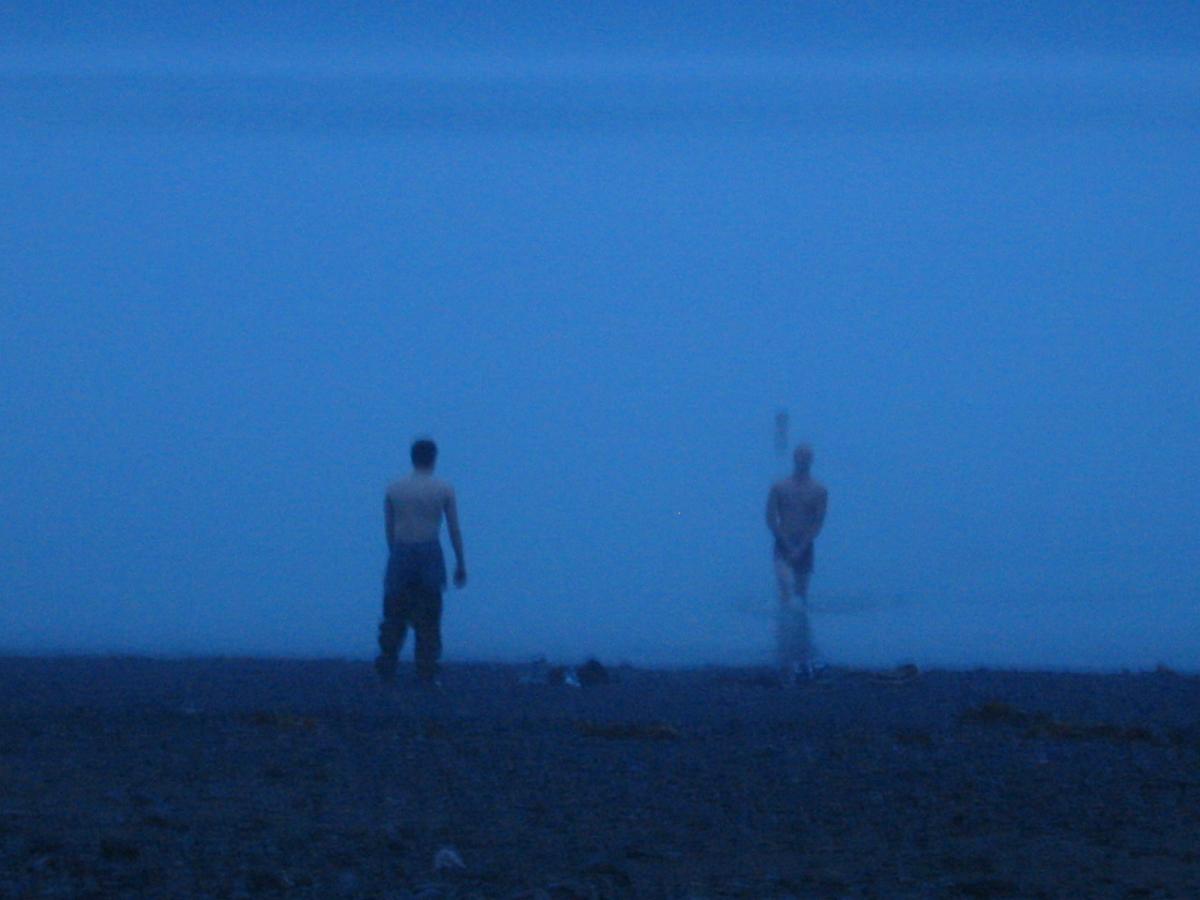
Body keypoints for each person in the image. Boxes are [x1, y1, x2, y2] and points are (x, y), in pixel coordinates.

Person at [376, 438, 466, 686]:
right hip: (429, 552)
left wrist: (395, 554)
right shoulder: (444, 488)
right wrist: (460, 562)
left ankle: (388, 666)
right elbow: (454, 529)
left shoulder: (394, 488)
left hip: (401, 551)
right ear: (433, 458)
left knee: (394, 612)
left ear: (412, 457)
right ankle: (426, 671)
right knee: (429, 616)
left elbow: (389, 529)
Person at [765, 444, 828, 681]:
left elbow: (819, 522)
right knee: (784, 590)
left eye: (807, 457)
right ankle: (783, 644)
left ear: (811, 460)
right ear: (794, 458)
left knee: (801, 597)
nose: (803, 460)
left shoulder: (819, 490)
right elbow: (770, 517)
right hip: (783, 542)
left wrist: (802, 546)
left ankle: (802, 644)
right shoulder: (779, 486)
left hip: (805, 544)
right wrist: (785, 542)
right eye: (799, 456)